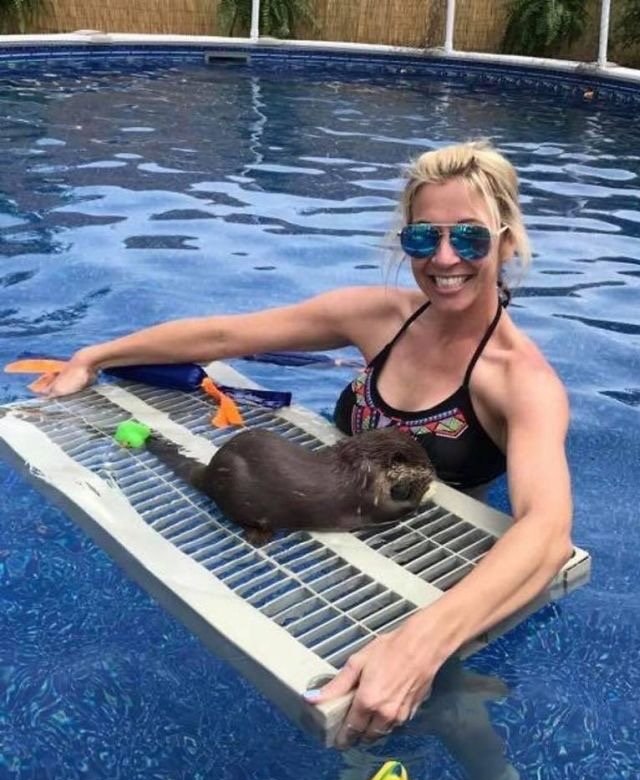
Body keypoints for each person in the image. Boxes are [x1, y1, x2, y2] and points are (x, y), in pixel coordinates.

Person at [39, 140, 573, 749]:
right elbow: (226, 335)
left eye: (470, 238)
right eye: (424, 237)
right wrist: (96, 356)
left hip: (438, 576)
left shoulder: (520, 381)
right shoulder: (379, 317)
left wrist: (422, 643)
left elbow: (548, 530)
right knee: (345, 725)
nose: (445, 258)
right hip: (327, 532)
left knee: (448, 723)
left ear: (507, 241)